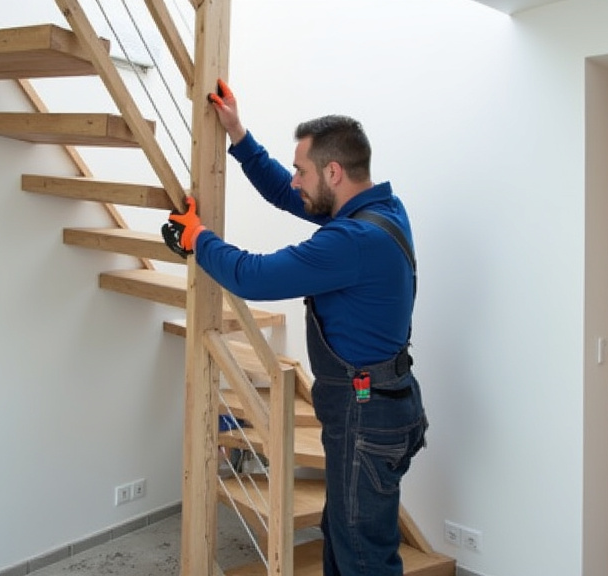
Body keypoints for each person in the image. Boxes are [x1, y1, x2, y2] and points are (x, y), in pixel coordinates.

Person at [162, 79, 428, 576]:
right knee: (345, 540)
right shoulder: (381, 210)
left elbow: (252, 275)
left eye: (302, 170)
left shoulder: (349, 241)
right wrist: (239, 135)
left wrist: (197, 238)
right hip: (381, 405)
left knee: (363, 559)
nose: (295, 180)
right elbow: (291, 196)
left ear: (333, 171)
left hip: (365, 416)